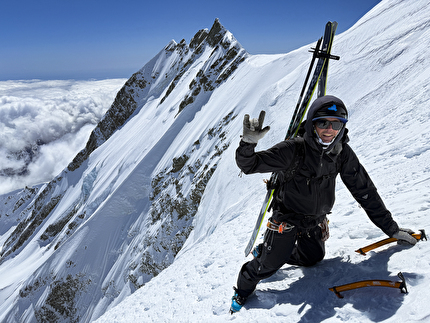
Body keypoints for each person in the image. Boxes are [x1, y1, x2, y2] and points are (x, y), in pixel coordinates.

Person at [230, 95, 417, 313]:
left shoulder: (341, 153)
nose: (329, 130)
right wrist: (248, 144)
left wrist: (391, 229)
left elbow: (365, 191)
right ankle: (242, 291)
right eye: (323, 123)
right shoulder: (294, 150)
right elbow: (250, 165)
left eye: (336, 124)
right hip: (287, 220)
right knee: (267, 266)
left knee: (313, 258)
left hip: (315, 221)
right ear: (312, 124)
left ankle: (268, 250)